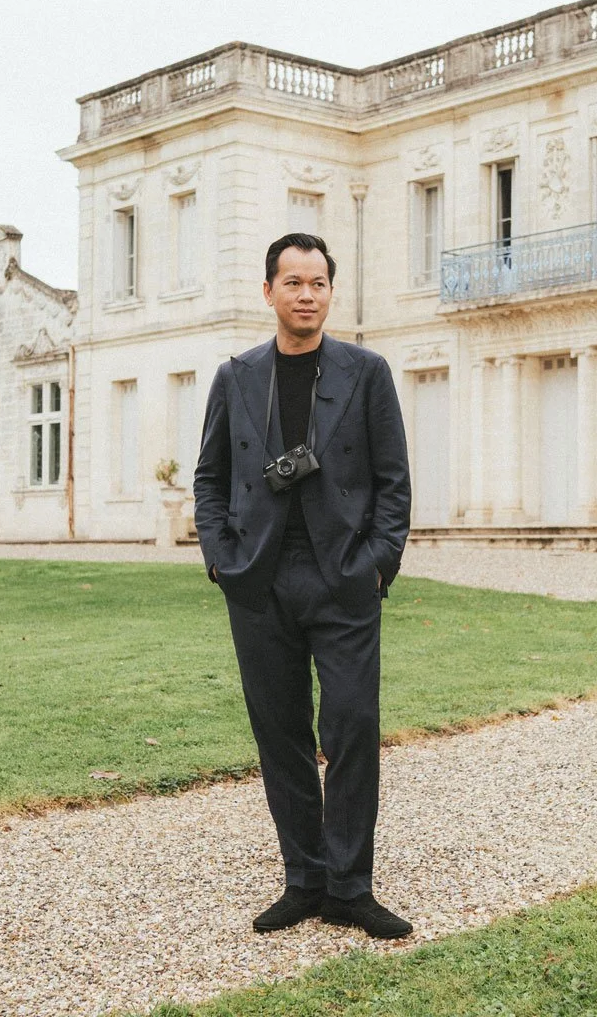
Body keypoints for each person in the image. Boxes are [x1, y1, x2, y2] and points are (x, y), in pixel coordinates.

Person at [193, 232, 412, 938]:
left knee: (352, 727)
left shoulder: (366, 372)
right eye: (293, 283)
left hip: (343, 576)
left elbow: (393, 481)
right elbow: (209, 478)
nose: (307, 295)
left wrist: (377, 562)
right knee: (280, 734)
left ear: (330, 292)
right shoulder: (235, 377)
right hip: (258, 579)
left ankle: (350, 888)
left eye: (318, 283)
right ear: (269, 292)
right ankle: (304, 879)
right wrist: (221, 559)